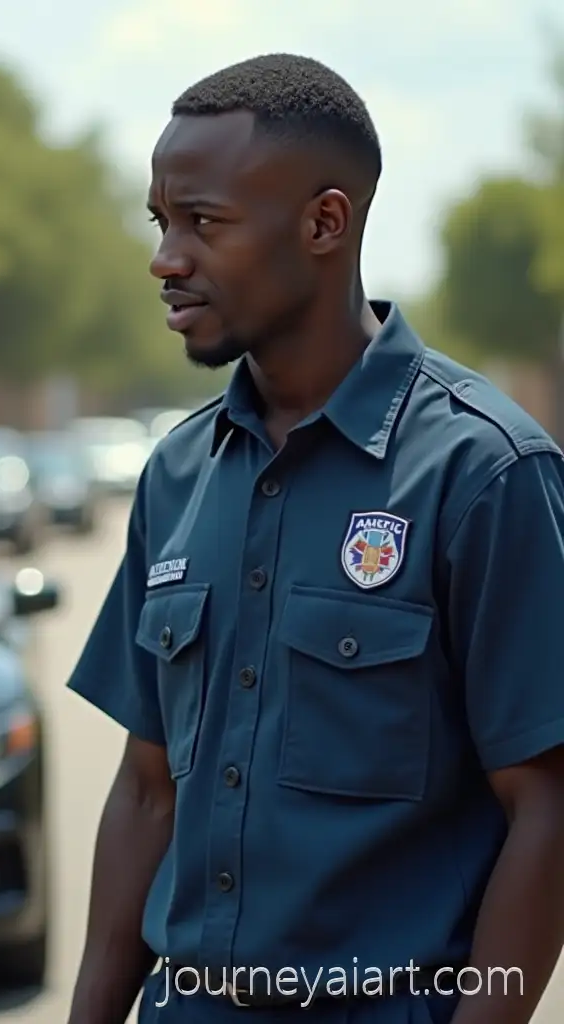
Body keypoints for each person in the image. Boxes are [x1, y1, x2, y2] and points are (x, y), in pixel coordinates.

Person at [65, 52, 564, 1024]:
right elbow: (142, 791)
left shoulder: (486, 472)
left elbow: (545, 808)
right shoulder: (175, 475)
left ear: (325, 223)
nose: (166, 257)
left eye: (202, 221)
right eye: (159, 221)